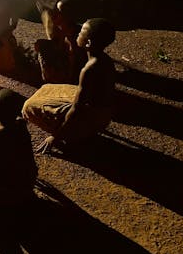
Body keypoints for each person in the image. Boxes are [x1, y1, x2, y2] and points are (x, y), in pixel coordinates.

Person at [23, 18, 116, 154]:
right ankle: (78, 130)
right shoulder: (105, 60)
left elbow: (77, 109)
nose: (78, 33)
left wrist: (55, 137)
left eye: (82, 32)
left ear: (88, 43)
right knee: (47, 89)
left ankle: (74, 136)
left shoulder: (89, 69)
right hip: (103, 112)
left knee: (29, 107)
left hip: (92, 117)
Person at [36, 0, 86, 84]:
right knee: (41, 44)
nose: (55, 14)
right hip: (66, 62)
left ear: (66, 16)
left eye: (58, 12)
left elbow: (73, 65)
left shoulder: (73, 37)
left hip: (73, 75)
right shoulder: (64, 28)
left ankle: (51, 79)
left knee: (43, 49)